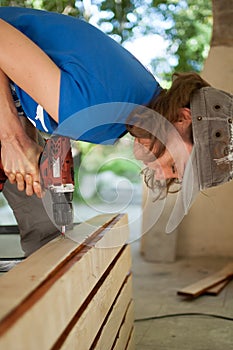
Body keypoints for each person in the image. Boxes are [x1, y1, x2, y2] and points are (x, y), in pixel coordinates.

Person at [0, 6, 231, 252]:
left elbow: (19, 87)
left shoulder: (128, 108)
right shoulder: (97, 100)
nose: (163, 176)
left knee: (43, 219)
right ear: (183, 118)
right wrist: (12, 139)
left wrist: (24, 143)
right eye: (175, 166)